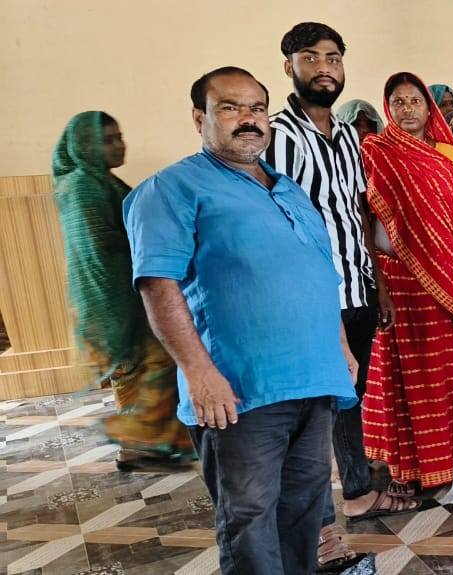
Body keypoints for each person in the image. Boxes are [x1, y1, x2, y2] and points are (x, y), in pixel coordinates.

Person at [125, 66, 358, 575]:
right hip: (239, 391)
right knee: (249, 519)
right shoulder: (171, 189)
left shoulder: (288, 189)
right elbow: (158, 285)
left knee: (304, 513)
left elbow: (318, 272)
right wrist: (198, 373)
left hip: (314, 378)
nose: (248, 119)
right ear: (200, 118)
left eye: (256, 108)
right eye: (230, 108)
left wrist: (339, 344)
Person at [265, 23, 418, 572]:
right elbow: (278, 223)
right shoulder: (278, 136)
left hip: (357, 287)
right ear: (289, 66)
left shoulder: (350, 136)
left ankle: (355, 491)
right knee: (315, 408)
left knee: (350, 394)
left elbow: (356, 214)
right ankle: (320, 527)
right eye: (311, 58)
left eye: (333, 57)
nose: (324, 67)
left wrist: (379, 285)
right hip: (312, 297)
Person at [53, 110, 196, 471]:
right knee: (142, 366)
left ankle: (150, 444)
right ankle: (136, 447)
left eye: (119, 137)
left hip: (118, 295)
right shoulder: (82, 186)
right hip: (111, 299)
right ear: (85, 146)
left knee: (148, 366)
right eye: (108, 140)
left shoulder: (99, 180)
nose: (119, 145)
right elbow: (98, 246)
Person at [361, 72, 453, 498]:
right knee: (400, 375)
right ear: (387, 107)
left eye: (415, 101)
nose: (407, 109)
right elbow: (364, 218)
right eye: (399, 101)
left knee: (440, 375)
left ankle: (443, 464)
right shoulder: (375, 152)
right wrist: (379, 284)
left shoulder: (446, 155)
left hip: (443, 275)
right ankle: (404, 467)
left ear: (429, 108)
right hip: (394, 278)